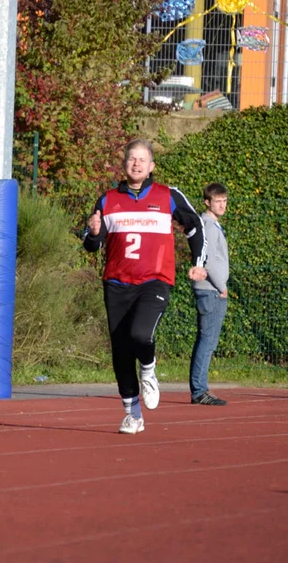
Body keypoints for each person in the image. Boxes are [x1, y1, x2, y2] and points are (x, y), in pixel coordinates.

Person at [82, 139, 207, 434]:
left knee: (140, 334)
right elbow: (92, 244)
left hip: (154, 280)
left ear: (151, 166)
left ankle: (149, 370)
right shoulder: (107, 200)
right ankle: (132, 414)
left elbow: (195, 227)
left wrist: (199, 261)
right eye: (131, 159)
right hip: (116, 282)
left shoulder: (168, 196)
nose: (136, 164)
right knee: (121, 351)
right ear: (124, 164)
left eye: (142, 160)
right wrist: (93, 231)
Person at [189, 183, 230, 406]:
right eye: (218, 201)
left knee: (206, 341)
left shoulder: (211, 225)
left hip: (210, 288)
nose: (222, 205)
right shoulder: (208, 226)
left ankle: (199, 389)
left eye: (224, 201)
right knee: (208, 341)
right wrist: (221, 285)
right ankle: (199, 390)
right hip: (210, 289)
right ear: (207, 202)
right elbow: (210, 260)